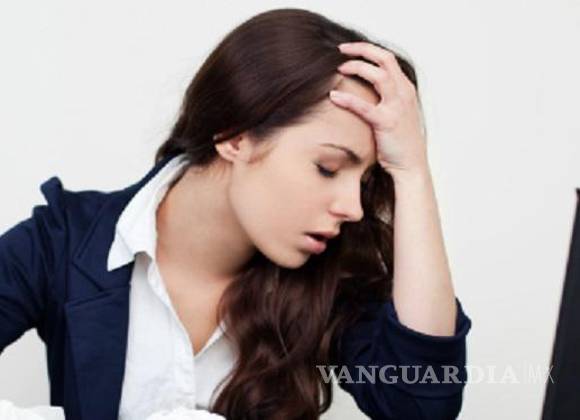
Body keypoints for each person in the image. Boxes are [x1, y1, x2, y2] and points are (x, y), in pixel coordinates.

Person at [0, 7, 472, 420]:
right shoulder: (64, 241)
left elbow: (420, 403)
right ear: (234, 135)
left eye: (365, 183)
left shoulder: (332, 277)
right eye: (327, 168)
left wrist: (411, 172)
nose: (352, 208)